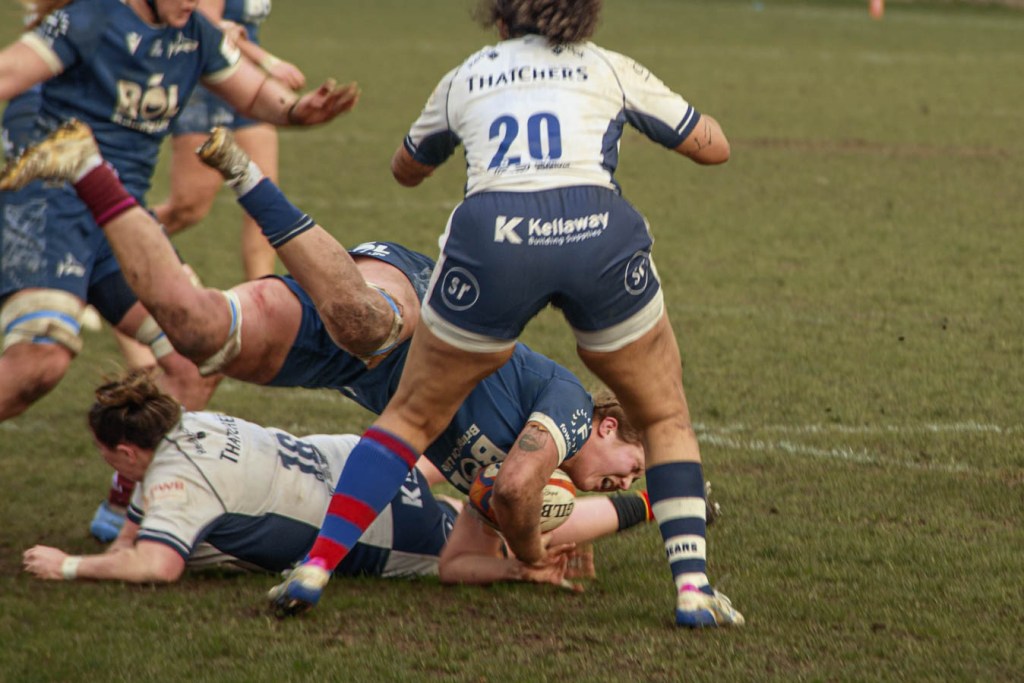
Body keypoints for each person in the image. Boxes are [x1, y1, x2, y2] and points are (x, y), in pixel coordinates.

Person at [1, 121, 655, 571]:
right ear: (606, 422)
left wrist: (521, 552)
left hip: (341, 367)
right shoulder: (564, 406)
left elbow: (455, 500)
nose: (626, 475)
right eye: (633, 459)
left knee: (197, 335)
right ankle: (246, 174)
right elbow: (517, 493)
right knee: (368, 324)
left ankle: (86, 169)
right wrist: (535, 554)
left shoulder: (519, 464)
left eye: (632, 479)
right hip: (416, 309)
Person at [282, 0, 743, 626]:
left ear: (500, 22)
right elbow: (712, 148)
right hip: (597, 232)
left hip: (492, 239)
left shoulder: (467, 74)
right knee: (663, 414)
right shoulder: (608, 67)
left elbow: (406, 169)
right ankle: (693, 591)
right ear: (582, 19)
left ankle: (316, 567)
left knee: (413, 415)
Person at [0, 0, 358, 422]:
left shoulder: (195, 35)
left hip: (122, 220)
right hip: (51, 206)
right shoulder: (90, 19)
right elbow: (8, 73)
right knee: (39, 362)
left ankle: (126, 485)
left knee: (196, 360)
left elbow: (257, 94)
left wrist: (297, 110)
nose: (195, 1)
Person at [22, 369, 461, 583]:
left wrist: (67, 566)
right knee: (461, 512)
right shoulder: (186, 421)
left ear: (125, 450)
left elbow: (158, 566)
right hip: (362, 461)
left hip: (381, 532)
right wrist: (123, 540)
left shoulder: (178, 482)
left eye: (106, 456)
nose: (108, 464)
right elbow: (147, 495)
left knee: (483, 550)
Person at [154, 0, 307, 279]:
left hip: (250, 83)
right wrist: (267, 60)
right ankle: (106, 254)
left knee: (264, 202)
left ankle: (263, 294)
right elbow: (206, 24)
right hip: (208, 84)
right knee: (188, 207)